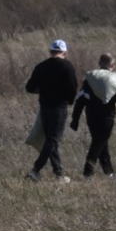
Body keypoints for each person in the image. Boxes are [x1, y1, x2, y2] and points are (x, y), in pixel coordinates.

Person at [25, 38, 77, 182]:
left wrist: (43, 90)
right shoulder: (67, 66)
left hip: (44, 107)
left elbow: (29, 87)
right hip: (59, 108)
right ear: (64, 53)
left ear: (50, 51)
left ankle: (59, 174)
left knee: (51, 140)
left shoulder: (41, 66)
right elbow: (73, 87)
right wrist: (70, 101)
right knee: (52, 140)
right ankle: (35, 170)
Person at [70, 53, 116, 180]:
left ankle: (109, 172)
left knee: (102, 144)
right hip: (107, 116)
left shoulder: (90, 78)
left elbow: (80, 100)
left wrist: (75, 118)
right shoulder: (115, 79)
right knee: (98, 144)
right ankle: (87, 173)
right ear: (113, 65)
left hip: (91, 116)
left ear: (99, 63)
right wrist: (111, 92)